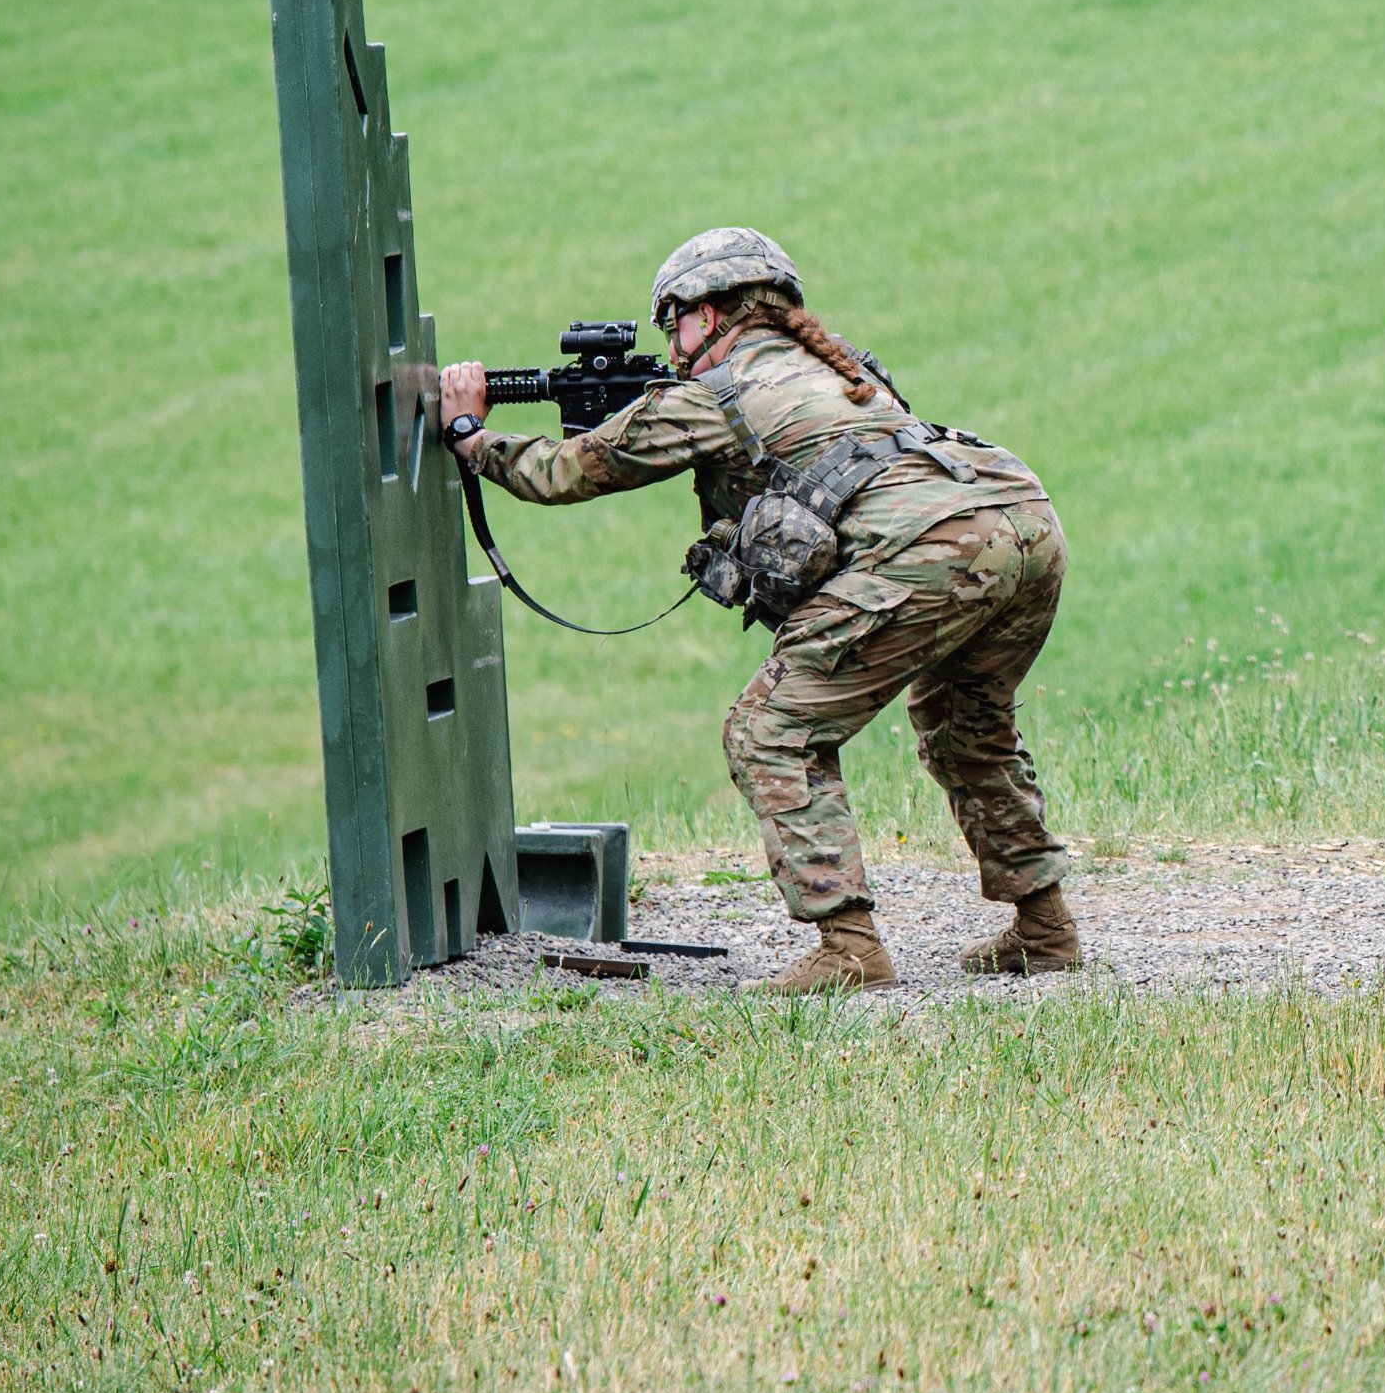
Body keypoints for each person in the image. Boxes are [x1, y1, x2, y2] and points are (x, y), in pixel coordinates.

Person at [443, 227, 1075, 995]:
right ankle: (1046, 931)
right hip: (1021, 516)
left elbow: (567, 471)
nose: (670, 345)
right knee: (966, 724)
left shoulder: (715, 394)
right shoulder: (845, 371)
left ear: (710, 314)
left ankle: (849, 951)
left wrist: (471, 434)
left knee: (771, 728)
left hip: (932, 546)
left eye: (673, 321)